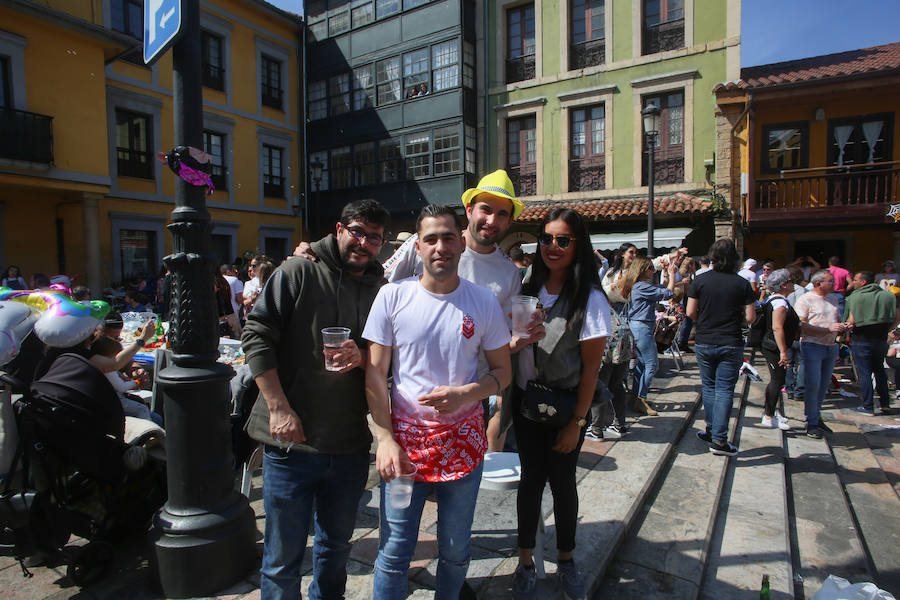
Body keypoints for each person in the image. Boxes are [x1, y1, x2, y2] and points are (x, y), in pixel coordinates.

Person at [293, 170, 541, 452]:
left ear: (510, 220)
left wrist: (522, 339)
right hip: (409, 398)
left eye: (502, 214)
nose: (492, 220)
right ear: (470, 210)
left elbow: (501, 343)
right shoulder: (425, 241)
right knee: (411, 487)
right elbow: (375, 278)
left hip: (468, 399)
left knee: (459, 488)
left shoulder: (509, 273)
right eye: (486, 210)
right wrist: (319, 253)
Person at [241, 199, 391, 600]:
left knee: (335, 550)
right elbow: (256, 336)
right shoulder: (298, 271)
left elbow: (388, 358)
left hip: (348, 444)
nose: (364, 242)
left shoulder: (382, 289)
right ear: (339, 229)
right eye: (358, 231)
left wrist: (362, 356)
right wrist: (277, 406)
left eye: (374, 237)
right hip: (291, 441)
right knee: (281, 557)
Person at [363, 204, 511, 600]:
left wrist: (468, 393)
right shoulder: (392, 297)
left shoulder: (483, 302)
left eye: (448, 237)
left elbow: (503, 371)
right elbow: (375, 374)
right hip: (403, 455)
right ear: (418, 246)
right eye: (431, 238)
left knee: (455, 552)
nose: (440, 246)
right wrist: (384, 439)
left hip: (464, 448)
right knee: (394, 552)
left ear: (461, 242)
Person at [509, 208, 609, 599]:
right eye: (546, 238)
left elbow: (591, 370)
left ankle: (566, 560)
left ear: (577, 245)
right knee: (530, 482)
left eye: (563, 239)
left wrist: (578, 422)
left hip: (565, 406)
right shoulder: (526, 285)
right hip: (525, 400)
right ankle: (526, 560)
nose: (552, 246)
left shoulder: (590, 299)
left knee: (563, 484)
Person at [687, 239, 756, 457]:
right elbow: (751, 317)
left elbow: (690, 312)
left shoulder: (700, 281)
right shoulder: (742, 283)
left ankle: (710, 429)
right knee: (725, 390)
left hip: (705, 339)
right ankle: (719, 439)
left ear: (712, 257)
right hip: (730, 340)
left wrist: (704, 321)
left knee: (708, 387)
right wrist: (736, 322)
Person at [794, 269, 849, 439]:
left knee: (824, 385)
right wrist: (826, 329)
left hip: (831, 346)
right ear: (818, 283)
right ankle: (811, 421)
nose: (834, 283)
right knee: (813, 384)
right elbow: (800, 325)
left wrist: (842, 327)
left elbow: (835, 320)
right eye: (830, 281)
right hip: (813, 345)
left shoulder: (833, 299)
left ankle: (816, 416)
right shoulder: (805, 299)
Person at [620, 256, 676, 416]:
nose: (653, 270)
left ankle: (637, 396)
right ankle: (641, 399)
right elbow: (668, 293)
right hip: (642, 327)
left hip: (639, 327)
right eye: (651, 268)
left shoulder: (640, 286)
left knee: (642, 364)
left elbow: (661, 289)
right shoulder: (641, 287)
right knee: (652, 365)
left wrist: (665, 271)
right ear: (642, 270)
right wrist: (672, 274)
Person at [844, 270, 898, 415]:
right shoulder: (888, 296)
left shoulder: (855, 297)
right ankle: (885, 404)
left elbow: (851, 321)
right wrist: (888, 329)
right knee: (879, 370)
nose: (853, 282)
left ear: (863, 282)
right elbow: (897, 316)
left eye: (855, 279)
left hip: (862, 339)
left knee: (865, 373)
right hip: (880, 339)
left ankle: (867, 406)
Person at [89, 336, 163, 426]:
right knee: (142, 409)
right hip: (114, 401)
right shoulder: (108, 370)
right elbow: (121, 387)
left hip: (108, 400)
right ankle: (148, 430)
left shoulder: (97, 363)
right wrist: (134, 383)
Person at [758, 269, 797, 430]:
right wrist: (783, 351)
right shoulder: (779, 303)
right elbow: (777, 327)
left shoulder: (774, 300)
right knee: (777, 380)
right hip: (774, 346)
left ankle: (772, 411)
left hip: (773, 345)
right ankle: (768, 415)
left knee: (778, 379)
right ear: (783, 285)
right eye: (790, 281)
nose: (793, 283)